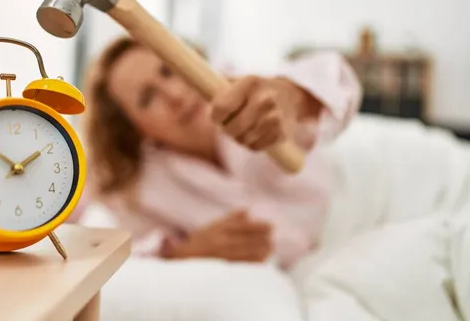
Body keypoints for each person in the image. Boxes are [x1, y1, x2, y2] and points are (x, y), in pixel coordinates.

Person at [79, 34, 363, 270]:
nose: (175, 95)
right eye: (148, 97)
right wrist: (186, 252)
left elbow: (341, 79)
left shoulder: (248, 91)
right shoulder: (141, 190)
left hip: (354, 220)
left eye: (168, 70)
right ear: (133, 129)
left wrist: (295, 97)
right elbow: (128, 262)